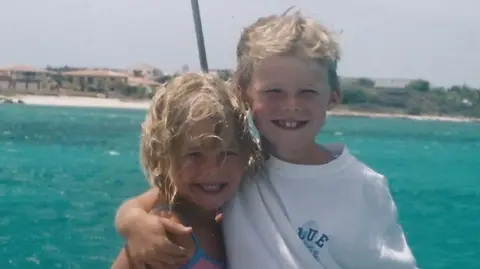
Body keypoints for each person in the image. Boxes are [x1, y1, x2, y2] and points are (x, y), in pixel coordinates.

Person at [114, 10, 419, 269]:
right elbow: (149, 200)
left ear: (334, 95)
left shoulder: (365, 188)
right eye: (274, 91)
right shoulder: (236, 165)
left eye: (307, 92)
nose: (291, 105)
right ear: (242, 92)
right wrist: (133, 224)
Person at [110, 73, 261, 269]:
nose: (212, 170)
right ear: (163, 156)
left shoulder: (230, 211)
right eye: (195, 154)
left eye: (226, 153)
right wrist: (134, 223)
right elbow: (134, 208)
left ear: (244, 153)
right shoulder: (167, 234)